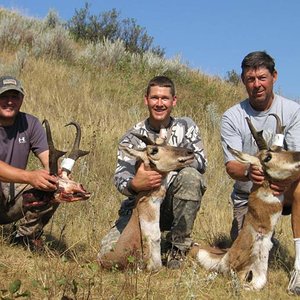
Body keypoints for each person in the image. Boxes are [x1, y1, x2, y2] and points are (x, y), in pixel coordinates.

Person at [99, 75, 207, 269]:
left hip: (173, 202)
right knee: (110, 258)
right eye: (155, 98)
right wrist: (135, 184)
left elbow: (200, 162)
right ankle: (157, 242)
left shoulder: (186, 127)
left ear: (174, 100)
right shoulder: (132, 137)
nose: (159, 103)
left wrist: (168, 162)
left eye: (164, 98)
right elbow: (120, 178)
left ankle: (178, 247)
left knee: (191, 177)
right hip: (140, 207)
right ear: (146, 99)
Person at [221, 51, 300, 294]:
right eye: (250, 79)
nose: (257, 85)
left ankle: (299, 267)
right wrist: (248, 171)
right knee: (241, 258)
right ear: (243, 81)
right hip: (250, 198)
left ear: (274, 76)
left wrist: (283, 185)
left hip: (285, 191)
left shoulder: (293, 110)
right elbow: (231, 166)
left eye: (262, 78)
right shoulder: (232, 116)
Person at [0, 75, 58, 250]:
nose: (9, 102)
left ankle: (26, 237)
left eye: (14, 97)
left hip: (12, 194)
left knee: (53, 186)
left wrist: (58, 174)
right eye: (4, 96)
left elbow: (48, 158)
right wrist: (29, 177)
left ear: (22, 99)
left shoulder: (30, 124)